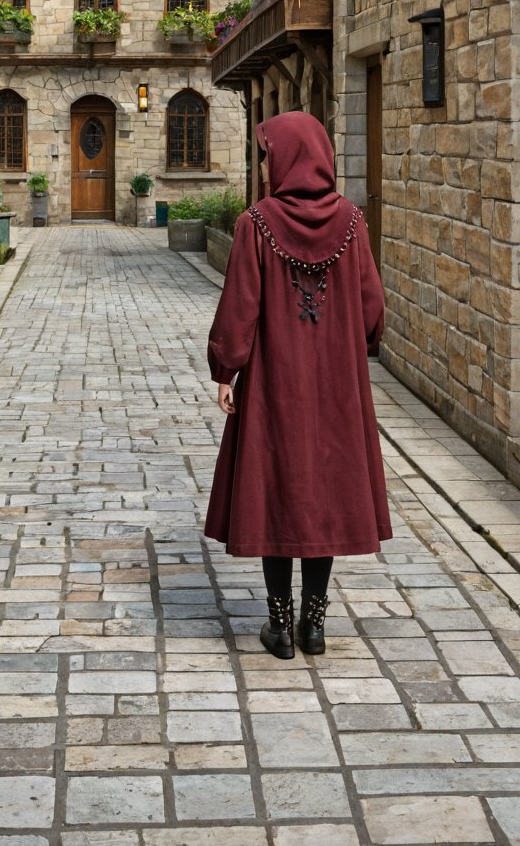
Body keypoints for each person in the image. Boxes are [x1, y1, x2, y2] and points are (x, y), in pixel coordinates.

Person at [204, 111, 392, 658]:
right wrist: (349, 347)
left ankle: (280, 627)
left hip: (273, 382)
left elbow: (240, 308)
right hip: (337, 385)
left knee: (277, 489)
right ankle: (315, 625)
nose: (264, 164)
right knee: (323, 494)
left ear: (286, 156)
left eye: (267, 154)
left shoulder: (256, 224)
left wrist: (226, 371)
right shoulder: (352, 224)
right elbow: (371, 307)